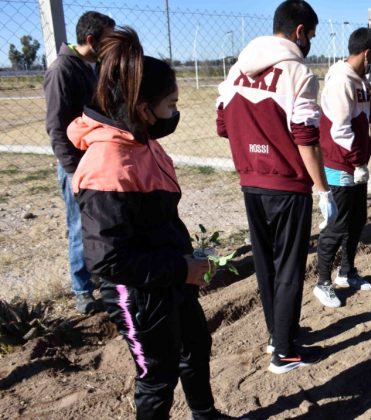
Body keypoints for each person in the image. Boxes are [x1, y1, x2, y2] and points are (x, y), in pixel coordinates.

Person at [68, 28, 228, 419]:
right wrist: (181, 268)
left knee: (195, 345)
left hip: (170, 275)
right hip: (138, 291)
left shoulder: (142, 142)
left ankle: (205, 415)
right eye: (171, 104)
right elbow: (107, 260)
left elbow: (158, 218)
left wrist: (187, 261)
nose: (175, 113)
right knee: (157, 374)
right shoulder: (108, 164)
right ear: (142, 109)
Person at [216, 0, 336, 374]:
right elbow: (306, 138)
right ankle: (284, 353)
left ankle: (277, 334)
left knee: (266, 265)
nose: (310, 43)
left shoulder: (237, 69)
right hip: (287, 185)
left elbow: (222, 125)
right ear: (300, 31)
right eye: (311, 35)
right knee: (289, 268)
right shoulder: (298, 73)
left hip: (251, 182)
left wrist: (254, 143)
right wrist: (323, 190)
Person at [44, 11, 115, 314]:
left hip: (99, 160)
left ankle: (101, 276)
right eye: (108, 39)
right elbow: (56, 127)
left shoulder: (94, 66)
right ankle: (82, 289)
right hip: (77, 164)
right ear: (90, 40)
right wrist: (73, 171)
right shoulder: (62, 70)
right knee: (78, 225)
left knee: (102, 222)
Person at [313, 27, 371, 308]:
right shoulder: (342, 80)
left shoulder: (360, 80)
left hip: (356, 165)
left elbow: (368, 118)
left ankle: (347, 272)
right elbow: (340, 131)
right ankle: (323, 282)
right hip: (340, 164)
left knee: (357, 220)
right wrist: (356, 162)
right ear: (367, 53)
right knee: (338, 224)